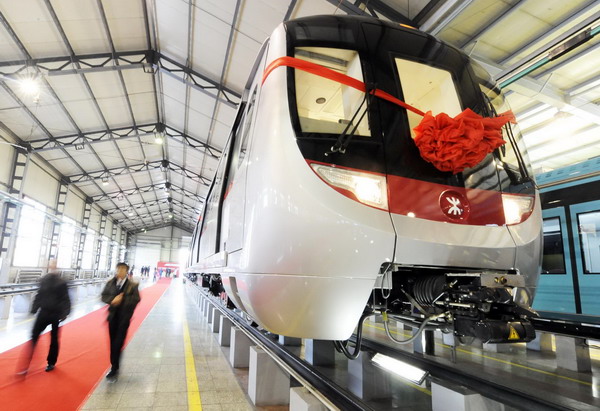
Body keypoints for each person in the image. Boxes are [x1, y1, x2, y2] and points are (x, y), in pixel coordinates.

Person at [17, 259, 71, 375]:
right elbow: (39, 295)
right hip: (44, 312)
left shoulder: (61, 282)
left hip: (56, 314)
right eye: (51, 264)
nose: (52, 266)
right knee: (34, 336)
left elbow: (65, 298)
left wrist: (65, 313)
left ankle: (51, 362)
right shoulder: (44, 280)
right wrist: (34, 309)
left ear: (56, 267)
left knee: (54, 339)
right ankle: (25, 365)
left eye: (54, 265)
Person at [101, 262, 140, 381]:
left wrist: (122, 300)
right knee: (113, 343)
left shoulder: (132, 285)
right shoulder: (110, 283)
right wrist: (113, 300)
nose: (120, 271)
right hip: (112, 318)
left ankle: (114, 367)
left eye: (123, 269)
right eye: (119, 269)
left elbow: (136, 299)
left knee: (118, 343)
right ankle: (114, 364)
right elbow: (103, 296)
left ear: (126, 271)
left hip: (124, 319)